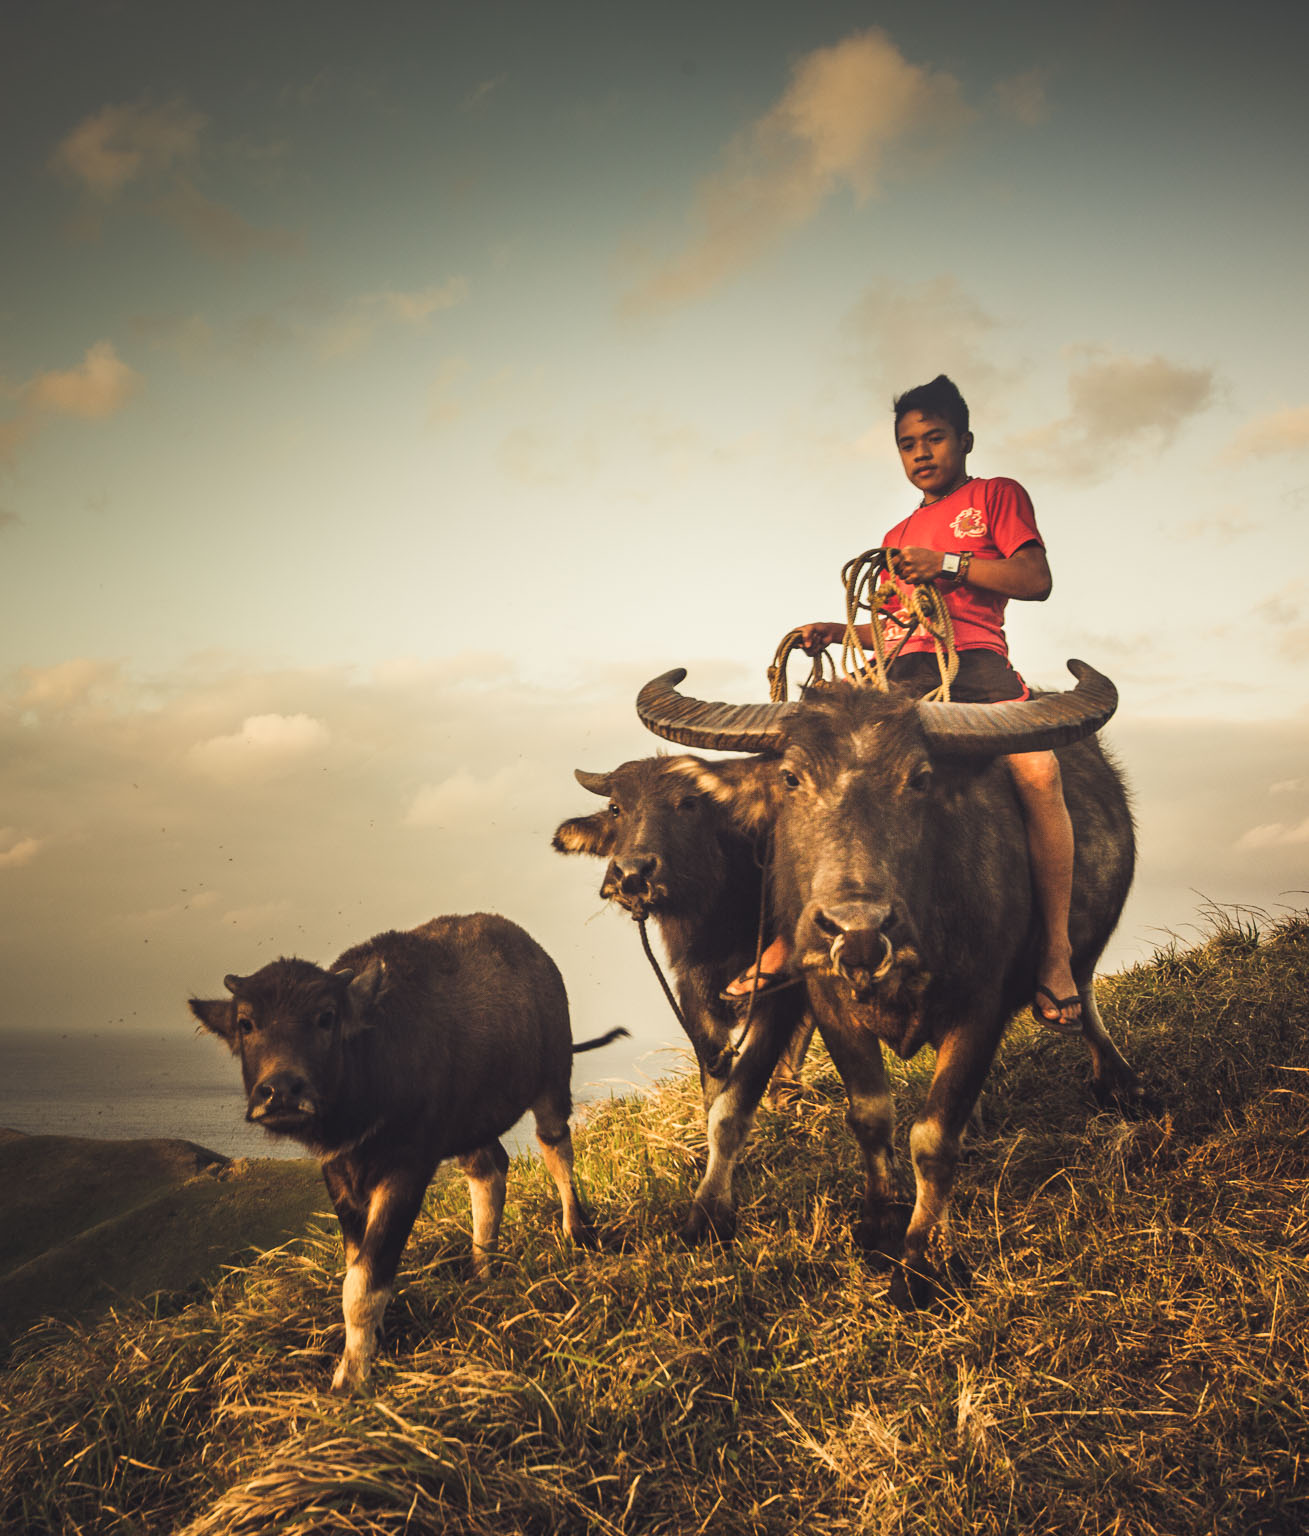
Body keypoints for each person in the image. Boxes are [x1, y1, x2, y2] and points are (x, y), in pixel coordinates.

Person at [724, 373, 1083, 1031]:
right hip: (896, 681)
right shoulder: (898, 533)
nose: (920, 453)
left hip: (975, 668)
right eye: (907, 443)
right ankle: (782, 935)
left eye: (934, 438)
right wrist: (840, 634)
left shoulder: (994, 497)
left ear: (964, 440)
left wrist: (947, 564)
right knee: (808, 774)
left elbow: (1034, 580)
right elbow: (895, 625)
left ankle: (1055, 951)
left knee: (1038, 771)